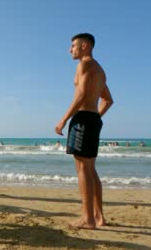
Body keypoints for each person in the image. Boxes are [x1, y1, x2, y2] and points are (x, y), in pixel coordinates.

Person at [55, 33, 114, 229]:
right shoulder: (99, 70)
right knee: (90, 169)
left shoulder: (84, 65)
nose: (70, 49)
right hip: (93, 120)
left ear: (85, 46)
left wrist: (63, 120)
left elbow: (80, 94)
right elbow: (108, 99)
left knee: (82, 169)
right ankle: (99, 217)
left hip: (82, 120)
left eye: (73, 46)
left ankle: (87, 219)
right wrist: (96, 116)